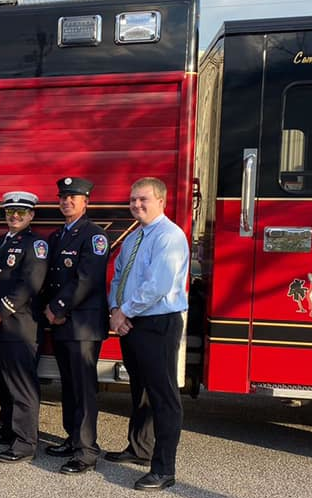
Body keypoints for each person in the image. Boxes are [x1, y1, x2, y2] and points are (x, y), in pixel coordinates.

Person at [105, 177, 189, 492]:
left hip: (158, 324)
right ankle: (139, 448)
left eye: (143, 200)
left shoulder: (169, 236)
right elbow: (118, 278)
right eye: (133, 200)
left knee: (164, 397)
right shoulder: (134, 237)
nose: (137, 205)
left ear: (161, 201)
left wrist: (124, 311)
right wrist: (116, 311)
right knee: (139, 390)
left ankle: (164, 469)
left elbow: (157, 285)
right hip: (133, 323)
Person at [42, 177, 109, 474]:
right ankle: (73, 439)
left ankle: (86, 452)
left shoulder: (94, 236)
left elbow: (86, 279)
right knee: (68, 386)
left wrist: (56, 308)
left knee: (83, 389)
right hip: (62, 324)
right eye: (63, 196)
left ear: (86, 202)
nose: (66, 201)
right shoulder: (58, 237)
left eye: (73, 197)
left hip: (82, 325)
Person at [0, 191, 49, 464]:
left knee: (22, 387)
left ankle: (25, 441)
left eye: (21, 212)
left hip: (19, 326)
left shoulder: (36, 245)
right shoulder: (0, 244)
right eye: (10, 212)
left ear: (31, 215)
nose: (15, 216)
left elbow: (31, 284)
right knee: (4, 383)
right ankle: (7, 428)